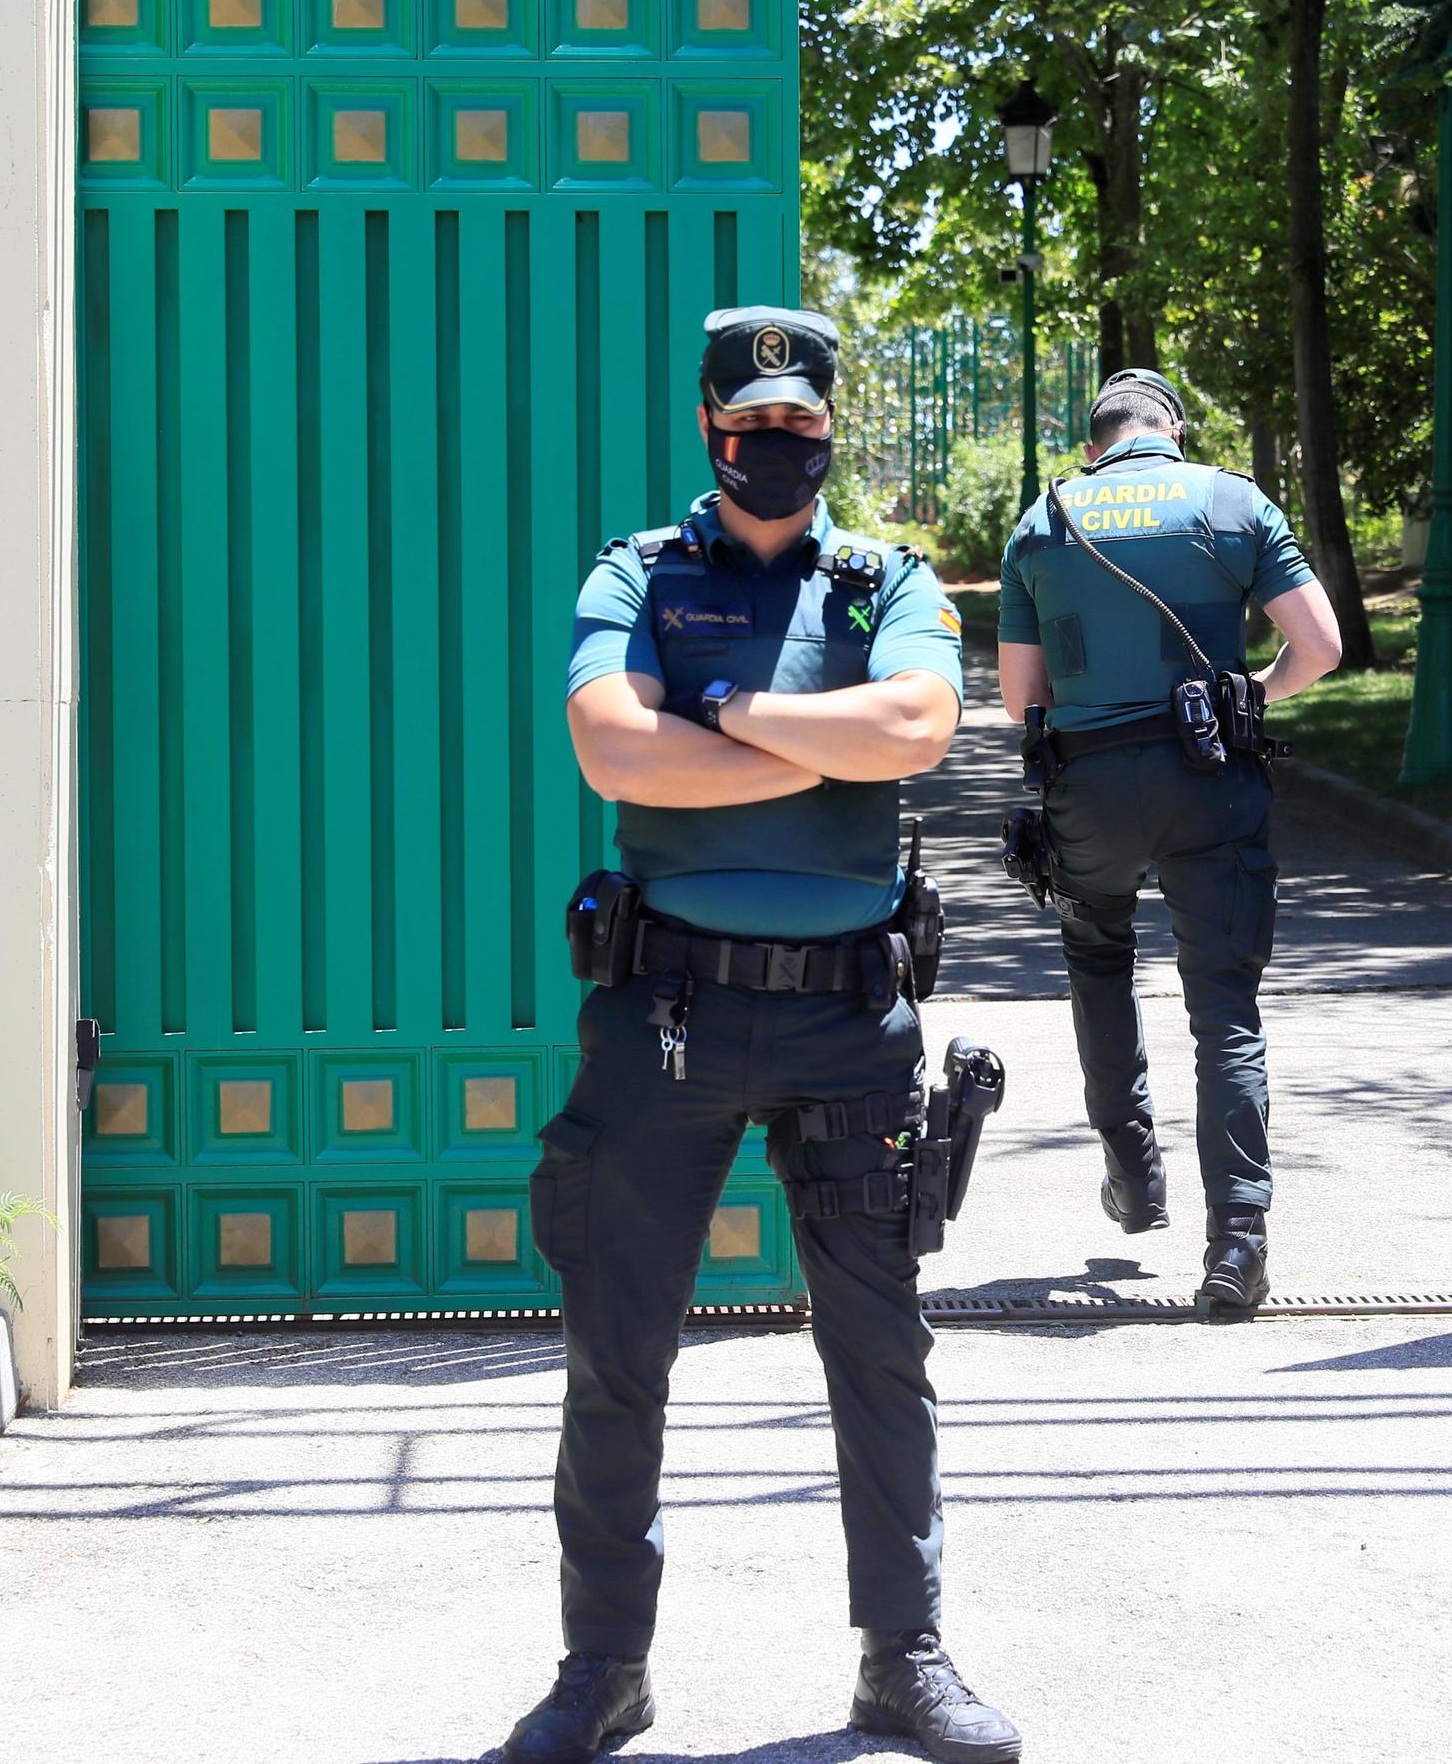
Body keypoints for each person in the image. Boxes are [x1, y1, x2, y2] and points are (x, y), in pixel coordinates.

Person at [503, 307, 1020, 1764]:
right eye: (753, 426)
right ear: (708, 427)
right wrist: (809, 733)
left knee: (880, 1348)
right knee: (617, 1355)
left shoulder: (887, 580)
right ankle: (602, 1668)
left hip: (851, 1023)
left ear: (829, 434)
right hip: (663, 1018)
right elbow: (610, 745)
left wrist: (720, 712)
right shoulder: (640, 571)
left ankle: (902, 1660)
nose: (778, 448)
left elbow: (920, 730)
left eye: (802, 428)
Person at [995, 369, 1343, 1317]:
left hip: (1089, 787)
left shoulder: (1045, 519)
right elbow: (1320, 648)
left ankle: (1133, 1174)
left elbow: (1020, 701)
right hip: (1209, 782)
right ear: (1173, 432)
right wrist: (1243, 699)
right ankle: (1238, 1245)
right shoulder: (1232, 502)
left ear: (1097, 439)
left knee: (1098, 959)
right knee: (1223, 1006)